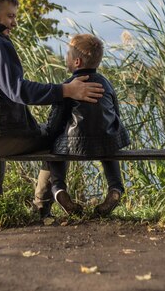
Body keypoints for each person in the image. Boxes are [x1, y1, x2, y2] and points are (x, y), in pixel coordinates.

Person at [0, 0, 104, 216]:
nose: (14, 22)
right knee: (60, 138)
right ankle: (41, 207)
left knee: (6, 135)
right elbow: (18, 91)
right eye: (10, 16)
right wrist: (66, 90)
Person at [45, 34, 130, 216]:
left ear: (76, 62)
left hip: (74, 144)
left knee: (54, 150)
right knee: (110, 145)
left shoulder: (69, 86)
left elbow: (57, 119)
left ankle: (59, 190)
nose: (65, 57)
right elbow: (115, 111)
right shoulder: (106, 83)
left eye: (67, 54)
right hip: (106, 139)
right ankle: (115, 189)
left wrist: (49, 134)